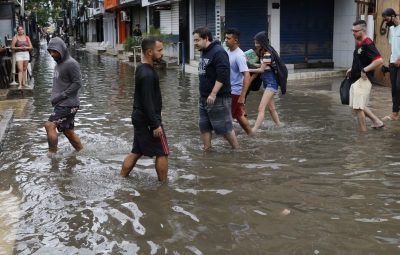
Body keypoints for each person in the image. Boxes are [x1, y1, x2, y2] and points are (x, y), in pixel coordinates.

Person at [120, 37, 169, 182]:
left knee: (137, 151)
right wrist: (155, 124)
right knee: (163, 152)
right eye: (159, 50)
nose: (162, 53)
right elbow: (147, 101)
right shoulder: (147, 74)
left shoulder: (142, 68)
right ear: (149, 52)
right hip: (148, 120)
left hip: (141, 117)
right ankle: (164, 186)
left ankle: (121, 178)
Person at [192, 27, 239, 150]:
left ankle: (237, 150)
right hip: (203, 98)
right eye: (194, 40)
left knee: (225, 128)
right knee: (204, 126)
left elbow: (223, 75)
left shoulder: (219, 52)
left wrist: (213, 94)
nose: (195, 43)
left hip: (218, 98)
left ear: (206, 38)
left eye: (197, 40)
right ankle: (207, 150)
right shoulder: (204, 51)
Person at [44, 37, 83, 155]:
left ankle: (52, 155)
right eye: (50, 51)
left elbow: (77, 83)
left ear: (62, 49)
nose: (52, 54)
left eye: (54, 51)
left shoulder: (71, 63)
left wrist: (61, 96)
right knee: (68, 132)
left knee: (49, 125)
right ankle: (83, 152)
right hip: (63, 104)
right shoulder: (58, 64)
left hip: (68, 104)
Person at [346, 20, 384, 132]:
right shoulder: (359, 43)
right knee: (357, 105)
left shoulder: (368, 44)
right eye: (352, 31)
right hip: (356, 78)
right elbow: (361, 59)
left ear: (363, 30)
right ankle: (377, 121)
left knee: (358, 108)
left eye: (355, 31)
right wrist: (352, 68)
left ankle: (362, 134)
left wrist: (364, 70)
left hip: (363, 79)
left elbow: (379, 60)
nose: (353, 33)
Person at [248, 31, 282, 133]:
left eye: (257, 41)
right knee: (271, 108)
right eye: (255, 41)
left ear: (261, 42)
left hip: (271, 84)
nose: (255, 43)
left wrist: (247, 70)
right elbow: (263, 66)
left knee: (261, 108)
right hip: (267, 84)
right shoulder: (265, 53)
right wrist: (252, 64)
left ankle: (254, 130)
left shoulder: (267, 53)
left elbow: (261, 70)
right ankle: (280, 126)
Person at [224, 28, 252, 135]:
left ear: (235, 40)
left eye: (228, 38)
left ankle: (232, 140)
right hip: (228, 90)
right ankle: (251, 134)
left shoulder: (239, 55)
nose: (226, 40)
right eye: (225, 37)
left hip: (235, 91)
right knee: (238, 115)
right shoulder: (228, 52)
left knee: (228, 117)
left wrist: (242, 95)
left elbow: (247, 75)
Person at [382, 8, 400, 121]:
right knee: (394, 89)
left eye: (387, 18)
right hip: (393, 63)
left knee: (399, 86)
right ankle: (394, 113)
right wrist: (389, 61)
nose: (386, 21)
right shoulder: (392, 29)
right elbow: (393, 47)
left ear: (393, 16)